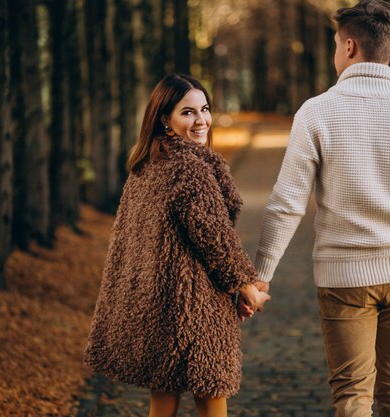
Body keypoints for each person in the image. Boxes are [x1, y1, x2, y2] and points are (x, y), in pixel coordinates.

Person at [245, 1, 390, 416]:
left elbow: (286, 204)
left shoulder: (317, 112)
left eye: (334, 44)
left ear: (349, 46)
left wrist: (262, 275)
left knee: (352, 396)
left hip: (343, 279)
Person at [84, 73, 270, 417]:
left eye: (204, 109)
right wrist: (248, 289)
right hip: (194, 308)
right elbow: (217, 240)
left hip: (159, 308)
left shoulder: (147, 165)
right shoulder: (189, 169)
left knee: (163, 404)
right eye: (187, 112)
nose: (201, 120)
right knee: (212, 393)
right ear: (164, 119)